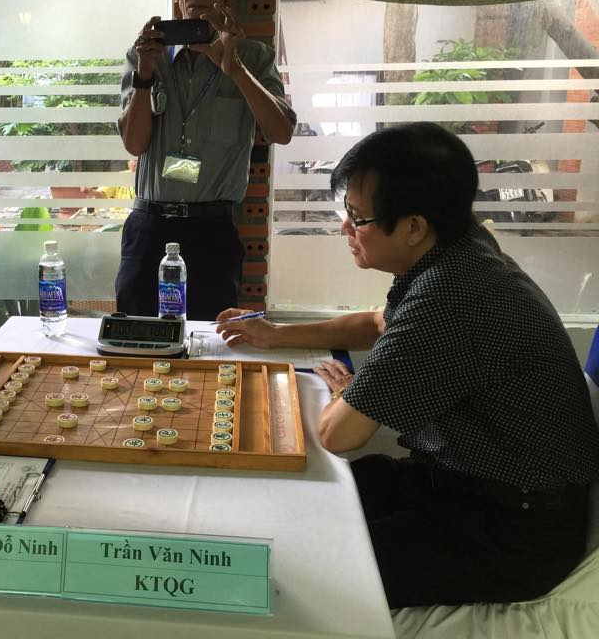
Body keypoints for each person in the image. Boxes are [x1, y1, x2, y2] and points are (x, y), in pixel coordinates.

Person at [216, 122, 599, 608]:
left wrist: (346, 393)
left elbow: (340, 434)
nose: (345, 228)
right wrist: (277, 334)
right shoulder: (462, 248)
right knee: (290, 507)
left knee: (300, 566)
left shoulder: (453, 294)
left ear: (414, 227)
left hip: (511, 530)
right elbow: (379, 323)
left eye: (358, 217)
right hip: (453, 484)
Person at [116, 0, 296, 320]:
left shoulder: (254, 57)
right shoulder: (147, 55)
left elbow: (281, 132)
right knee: (137, 338)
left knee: (211, 344)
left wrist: (234, 67)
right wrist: (145, 75)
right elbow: (134, 144)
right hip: (149, 228)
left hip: (212, 232)